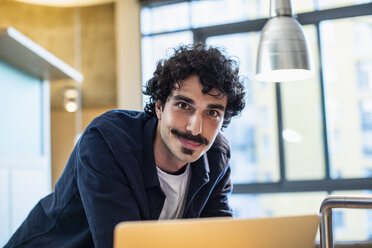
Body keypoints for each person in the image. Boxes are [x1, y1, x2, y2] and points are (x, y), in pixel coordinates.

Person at [5, 43, 246, 248]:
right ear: (160, 107)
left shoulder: (216, 156)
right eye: (184, 106)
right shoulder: (107, 140)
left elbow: (218, 237)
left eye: (212, 112)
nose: (195, 129)